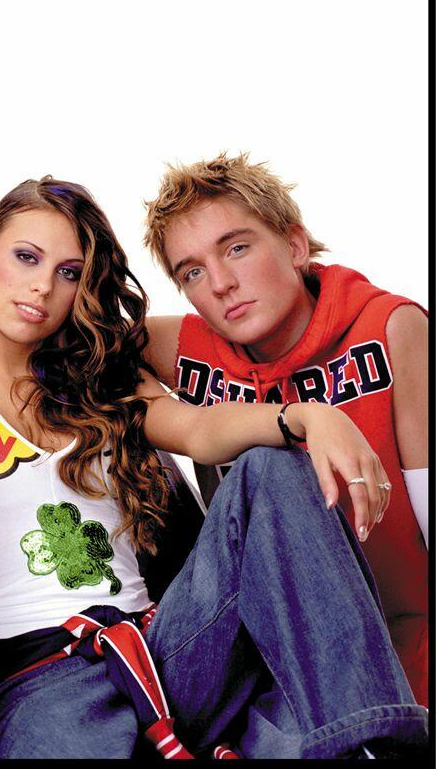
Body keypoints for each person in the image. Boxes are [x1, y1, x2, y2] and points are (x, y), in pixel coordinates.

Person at [0, 176, 427, 758]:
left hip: (162, 647)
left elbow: (200, 431)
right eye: (26, 257)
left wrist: (306, 416)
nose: (43, 286)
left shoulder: (95, 378)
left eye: (70, 272)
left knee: (270, 468)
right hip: (33, 676)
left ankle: (376, 746)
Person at [142, 153, 428, 706]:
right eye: (192, 272)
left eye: (237, 248)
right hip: (274, 663)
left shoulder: (390, 328)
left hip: (401, 645)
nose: (220, 284)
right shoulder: (194, 351)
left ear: (295, 245)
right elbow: (79, 343)